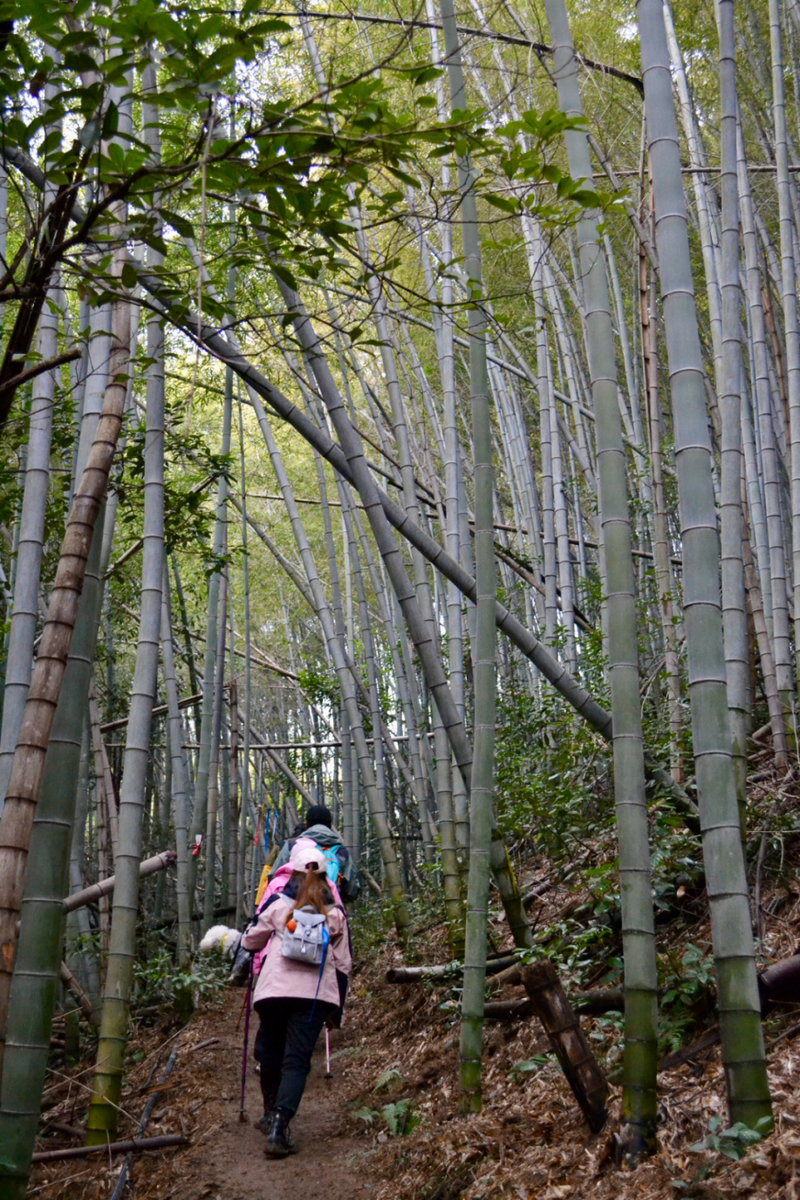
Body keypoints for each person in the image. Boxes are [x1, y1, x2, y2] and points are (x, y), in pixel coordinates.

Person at [241, 841, 352, 1158]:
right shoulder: (334, 913)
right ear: (326, 876)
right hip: (314, 996)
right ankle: (280, 1125)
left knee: (271, 1052)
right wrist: (337, 1008)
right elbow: (343, 959)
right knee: (297, 1061)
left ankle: (269, 1113)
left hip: (274, 991)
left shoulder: (278, 904)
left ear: (292, 872)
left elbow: (251, 940)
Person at [269, 804, 361, 902]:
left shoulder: (292, 845)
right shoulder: (341, 852)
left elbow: (275, 876)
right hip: (330, 906)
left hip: (294, 905)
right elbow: (352, 889)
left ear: (307, 825)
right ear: (330, 825)